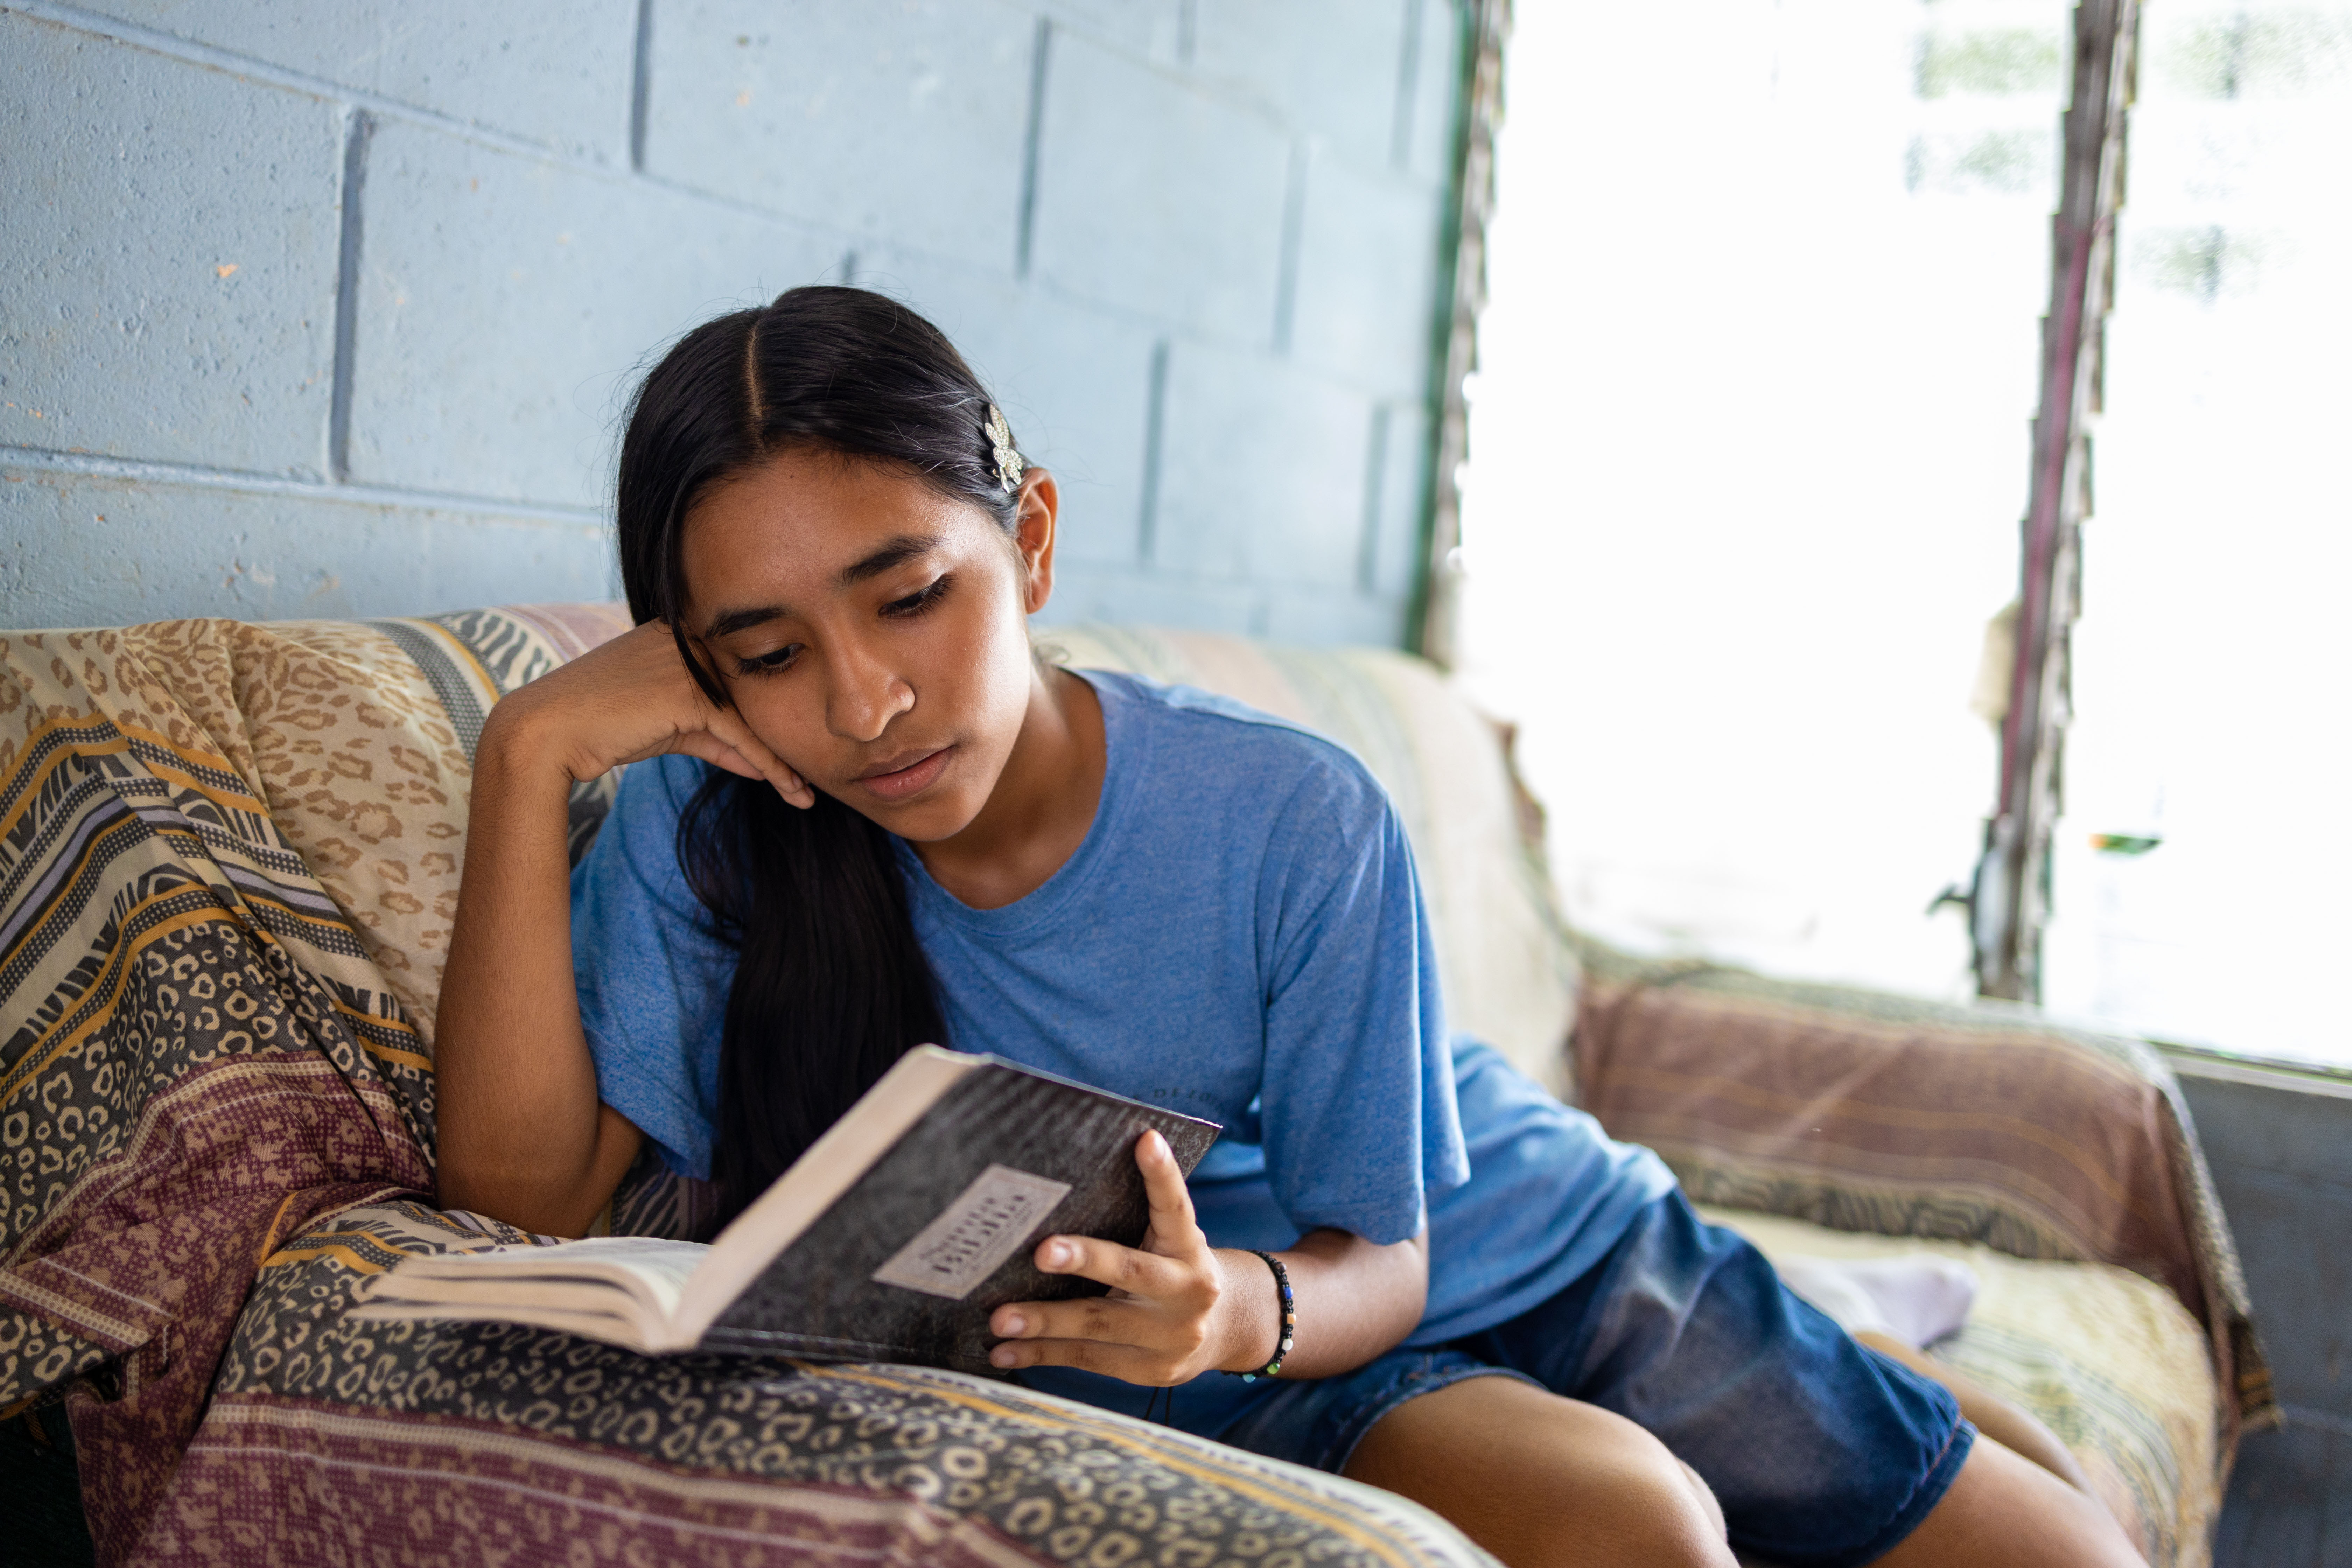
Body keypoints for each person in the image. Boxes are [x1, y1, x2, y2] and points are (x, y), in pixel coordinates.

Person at [433, 286, 2145, 1568]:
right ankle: (1842, 1360)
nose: (870, 702)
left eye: (909, 595)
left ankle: (1830, 1342)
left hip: (1510, 1237)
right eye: (773, 649)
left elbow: (1382, 1251)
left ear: (1025, 543)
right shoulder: (710, 818)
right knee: (1649, 1524)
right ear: (697, 664)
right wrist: (531, 755)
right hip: (1234, 1328)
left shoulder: (1288, 813)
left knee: (2073, 1554)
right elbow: (520, 1194)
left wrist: (1238, 1309)